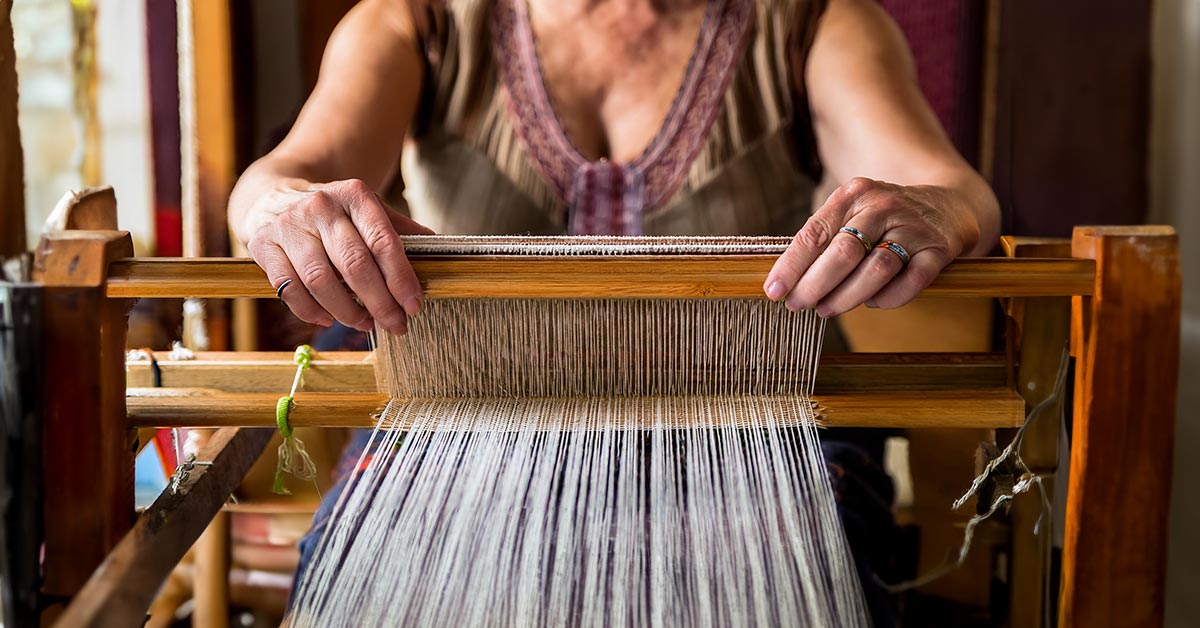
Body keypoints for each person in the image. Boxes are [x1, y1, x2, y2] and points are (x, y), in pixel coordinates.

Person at [228, 0, 1000, 623]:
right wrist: (280, 207)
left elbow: (948, 189)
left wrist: (933, 207)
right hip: (462, 433)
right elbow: (291, 173)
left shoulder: (810, 24)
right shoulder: (415, 21)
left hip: (751, 436)